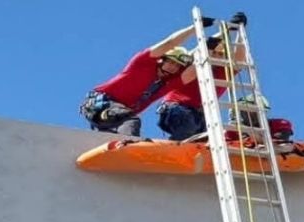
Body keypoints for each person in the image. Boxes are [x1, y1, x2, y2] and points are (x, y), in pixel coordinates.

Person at [79, 18, 216, 137]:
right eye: (171, 62)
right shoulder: (142, 64)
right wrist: (195, 27)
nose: (173, 67)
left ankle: (119, 147)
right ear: (162, 60)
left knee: (121, 126)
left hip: (114, 116)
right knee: (130, 120)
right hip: (100, 103)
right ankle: (128, 147)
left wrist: (212, 45)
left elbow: (194, 70)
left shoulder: (165, 84)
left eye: (177, 66)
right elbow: (169, 43)